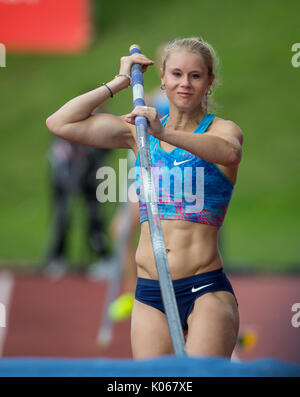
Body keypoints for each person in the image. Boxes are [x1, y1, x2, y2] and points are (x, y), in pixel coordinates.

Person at [45, 37, 243, 359]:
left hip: (204, 288)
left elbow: (230, 153)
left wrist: (163, 134)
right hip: (150, 294)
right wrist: (119, 82)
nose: (185, 83)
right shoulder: (138, 135)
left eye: (195, 76)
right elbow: (60, 122)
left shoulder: (221, 130)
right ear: (162, 79)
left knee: (195, 380)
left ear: (209, 82)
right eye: (176, 74)